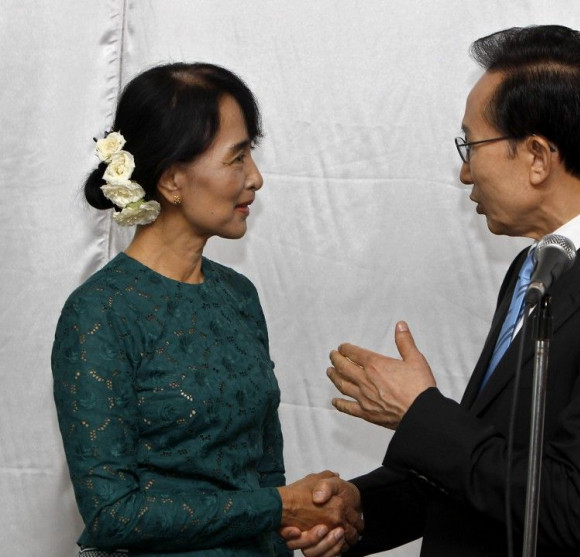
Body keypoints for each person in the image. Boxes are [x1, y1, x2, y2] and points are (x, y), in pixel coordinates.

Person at [283, 25, 580, 556]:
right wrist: (357, 509)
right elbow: (493, 468)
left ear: (538, 156)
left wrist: (420, 414)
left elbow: (575, 508)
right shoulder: (536, 265)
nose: (463, 171)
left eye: (471, 145)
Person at [51, 62, 361, 557]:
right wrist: (280, 507)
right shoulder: (100, 313)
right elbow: (112, 515)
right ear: (173, 180)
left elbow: (265, 476)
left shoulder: (237, 295)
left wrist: (308, 524)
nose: (255, 177)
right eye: (237, 158)